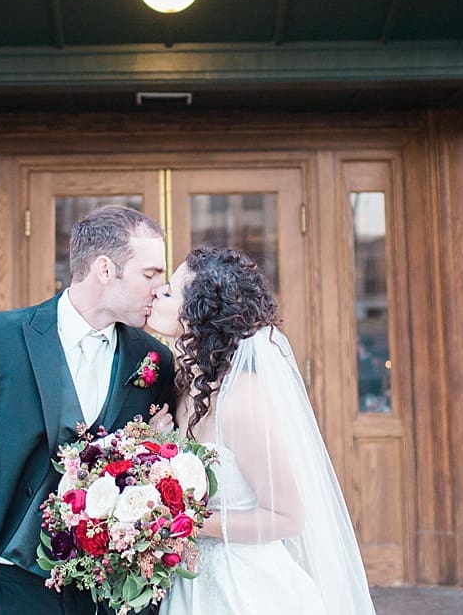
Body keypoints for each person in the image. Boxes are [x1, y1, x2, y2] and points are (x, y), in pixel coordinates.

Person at [0, 205, 177, 615]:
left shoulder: (153, 361)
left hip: (106, 593)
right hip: (7, 583)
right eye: (149, 274)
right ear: (104, 269)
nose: (158, 287)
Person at [147, 246, 376, 615]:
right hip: (191, 582)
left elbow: (287, 517)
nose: (157, 292)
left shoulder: (242, 399)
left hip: (245, 588)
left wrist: (185, 523)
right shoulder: (186, 388)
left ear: (197, 315)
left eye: (170, 290)